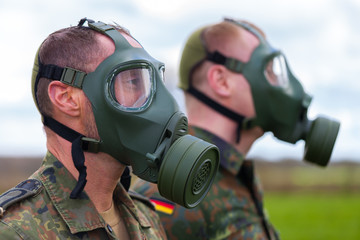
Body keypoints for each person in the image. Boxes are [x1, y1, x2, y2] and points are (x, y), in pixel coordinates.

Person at [0, 18, 220, 239]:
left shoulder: (146, 217)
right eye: (134, 83)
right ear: (66, 98)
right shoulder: (16, 231)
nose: (164, 105)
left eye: (153, 82)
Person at [133, 17, 340, 240]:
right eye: (268, 71)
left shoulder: (233, 174)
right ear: (221, 81)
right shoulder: (171, 193)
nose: (281, 85)